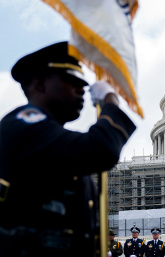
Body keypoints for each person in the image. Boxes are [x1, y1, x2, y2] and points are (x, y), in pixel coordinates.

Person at [0, 41, 136, 257]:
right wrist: (111, 101)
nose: (82, 89)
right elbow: (101, 149)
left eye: (83, 83)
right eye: (71, 81)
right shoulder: (24, 125)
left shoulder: (54, 140)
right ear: (40, 84)